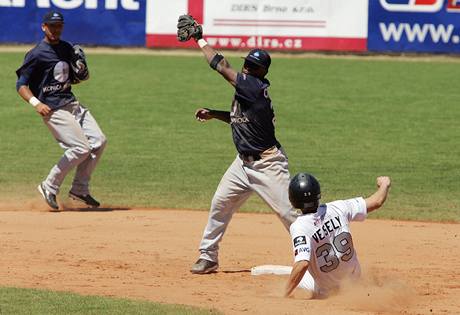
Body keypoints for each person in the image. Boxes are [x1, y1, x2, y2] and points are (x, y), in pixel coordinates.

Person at [176, 15, 298, 274]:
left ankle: (321, 258)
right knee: (220, 203)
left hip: (268, 165)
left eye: (252, 67)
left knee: (290, 216)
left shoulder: (253, 87)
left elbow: (220, 66)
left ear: (261, 72)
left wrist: (199, 39)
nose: (246, 69)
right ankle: (208, 257)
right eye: (247, 64)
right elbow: (239, 118)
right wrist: (214, 113)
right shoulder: (249, 91)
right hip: (242, 164)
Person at [16, 11, 107, 211]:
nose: (55, 29)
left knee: (99, 142)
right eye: (51, 26)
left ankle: (79, 190)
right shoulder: (36, 54)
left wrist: (82, 73)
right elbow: (21, 84)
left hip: (72, 103)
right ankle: (49, 185)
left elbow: (73, 78)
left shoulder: (67, 48)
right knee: (80, 148)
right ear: (43, 27)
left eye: (58, 26)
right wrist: (36, 103)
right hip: (53, 109)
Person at [284, 173, 391, 298]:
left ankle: (282, 272)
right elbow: (377, 201)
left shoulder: (299, 226)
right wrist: (384, 184)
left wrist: (284, 294)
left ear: (293, 200)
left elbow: (302, 264)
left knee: (299, 272)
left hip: (328, 292)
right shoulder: (339, 207)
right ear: (317, 193)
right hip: (354, 281)